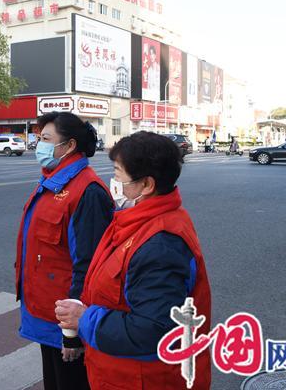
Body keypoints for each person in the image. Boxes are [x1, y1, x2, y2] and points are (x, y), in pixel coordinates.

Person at [55, 131, 212, 389]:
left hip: (146, 379)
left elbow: (151, 329)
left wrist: (84, 319)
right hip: (120, 372)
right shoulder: (133, 219)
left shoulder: (161, 244)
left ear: (147, 185)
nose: (114, 183)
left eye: (118, 175)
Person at [15, 112, 115, 390]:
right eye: (38, 138)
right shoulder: (54, 180)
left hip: (65, 321)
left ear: (69, 146)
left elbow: (91, 266)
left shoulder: (87, 190)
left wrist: (73, 332)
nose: (39, 145)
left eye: (46, 139)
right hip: (46, 313)